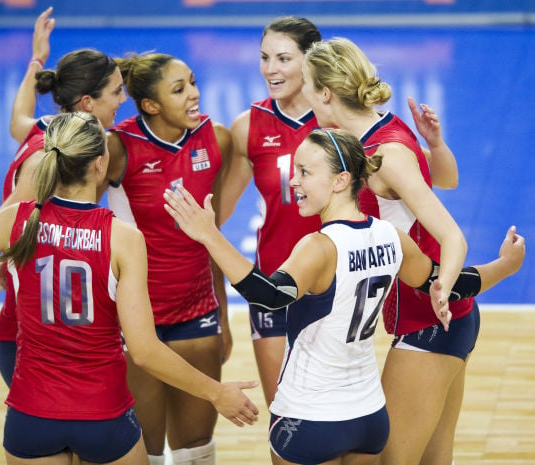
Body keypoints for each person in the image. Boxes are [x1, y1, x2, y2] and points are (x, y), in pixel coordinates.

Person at [163, 128, 524, 465]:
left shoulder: (319, 247)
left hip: (309, 418)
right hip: (368, 417)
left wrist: (209, 235)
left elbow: (268, 295)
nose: (294, 181)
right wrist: (504, 266)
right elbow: (451, 283)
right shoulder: (390, 237)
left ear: (341, 180)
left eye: (305, 172)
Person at [0, 112, 259, 465]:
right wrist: (216, 393)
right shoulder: (123, 238)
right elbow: (143, 351)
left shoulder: (16, 220)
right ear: (100, 164)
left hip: (31, 416)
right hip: (103, 415)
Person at [221, 16, 462, 407]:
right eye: (264, 57)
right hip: (277, 277)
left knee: (337, 412)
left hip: (344, 284)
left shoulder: (354, 132)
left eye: (283, 58)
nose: (270, 68)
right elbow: (220, 210)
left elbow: (433, 184)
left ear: (312, 67)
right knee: (285, 411)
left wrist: (434, 146)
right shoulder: (251, 125)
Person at [0, 7, 128, 389]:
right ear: (87, 103)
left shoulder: (45, 129)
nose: (122, 99)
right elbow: (0, 226)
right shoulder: (44, 163)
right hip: (38, 337)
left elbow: (18, 115)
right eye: (116, 92)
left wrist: (37, 59)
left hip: (53, 322)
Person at [299, 37, 481, 464]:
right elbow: (446, 182)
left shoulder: (387, 152)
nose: (302, 96)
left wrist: (443, 287)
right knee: (434, 458)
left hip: (429, 321)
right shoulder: (374, 130)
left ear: (324, 93)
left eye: (306, 86)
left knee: (388, 461)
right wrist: (434, 145)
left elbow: (454, 237)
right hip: (442, 319)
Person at [98, 52, 235, 465]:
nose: (194, 94)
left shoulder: (218, 139)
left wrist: (223, 316)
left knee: (197, 450)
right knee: (148, 449)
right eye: (179, 89)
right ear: (150, 105)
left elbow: (213, 235)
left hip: (199, 314)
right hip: (139, 322)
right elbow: (68, 203)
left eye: (192, 82)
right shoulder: (118, 148)